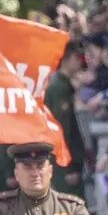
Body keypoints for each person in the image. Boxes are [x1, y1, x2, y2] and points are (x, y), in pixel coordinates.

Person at [45, 45, 90, 196]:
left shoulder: (63, 85)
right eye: (77, 58)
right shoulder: (59, 88)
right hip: (65, 163)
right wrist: (68, 167)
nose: (79, 63)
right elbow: (63, 129)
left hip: (67, 160)